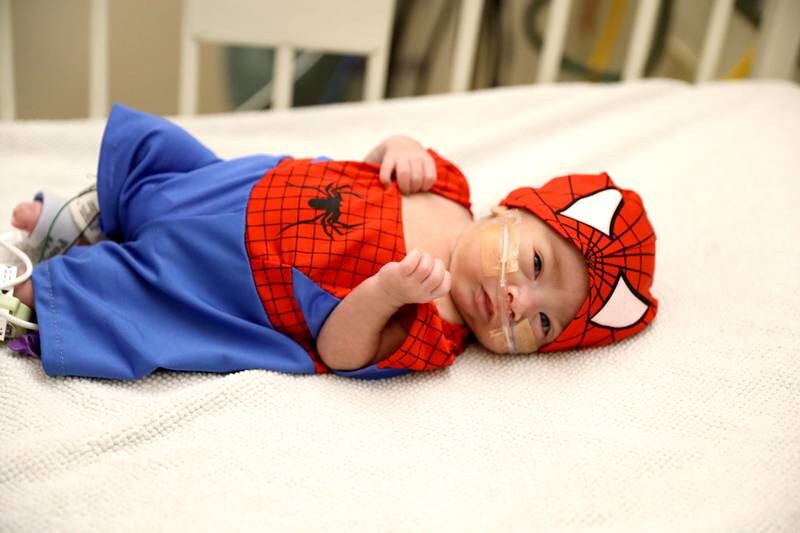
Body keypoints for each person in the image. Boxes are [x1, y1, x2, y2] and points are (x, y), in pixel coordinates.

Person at [2, 104, 658, 380]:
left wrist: (387, 291)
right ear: (509, 208)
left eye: (543, 321)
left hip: (243, 277)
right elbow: (366, 166)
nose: (517, 299)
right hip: (254, 187)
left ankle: (35, 292)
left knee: (147, 288)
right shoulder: (447, 183)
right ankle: (72, 221)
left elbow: (339, 352)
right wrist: (394, 149)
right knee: (164, 184)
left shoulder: (433, 331)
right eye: (536, 263)